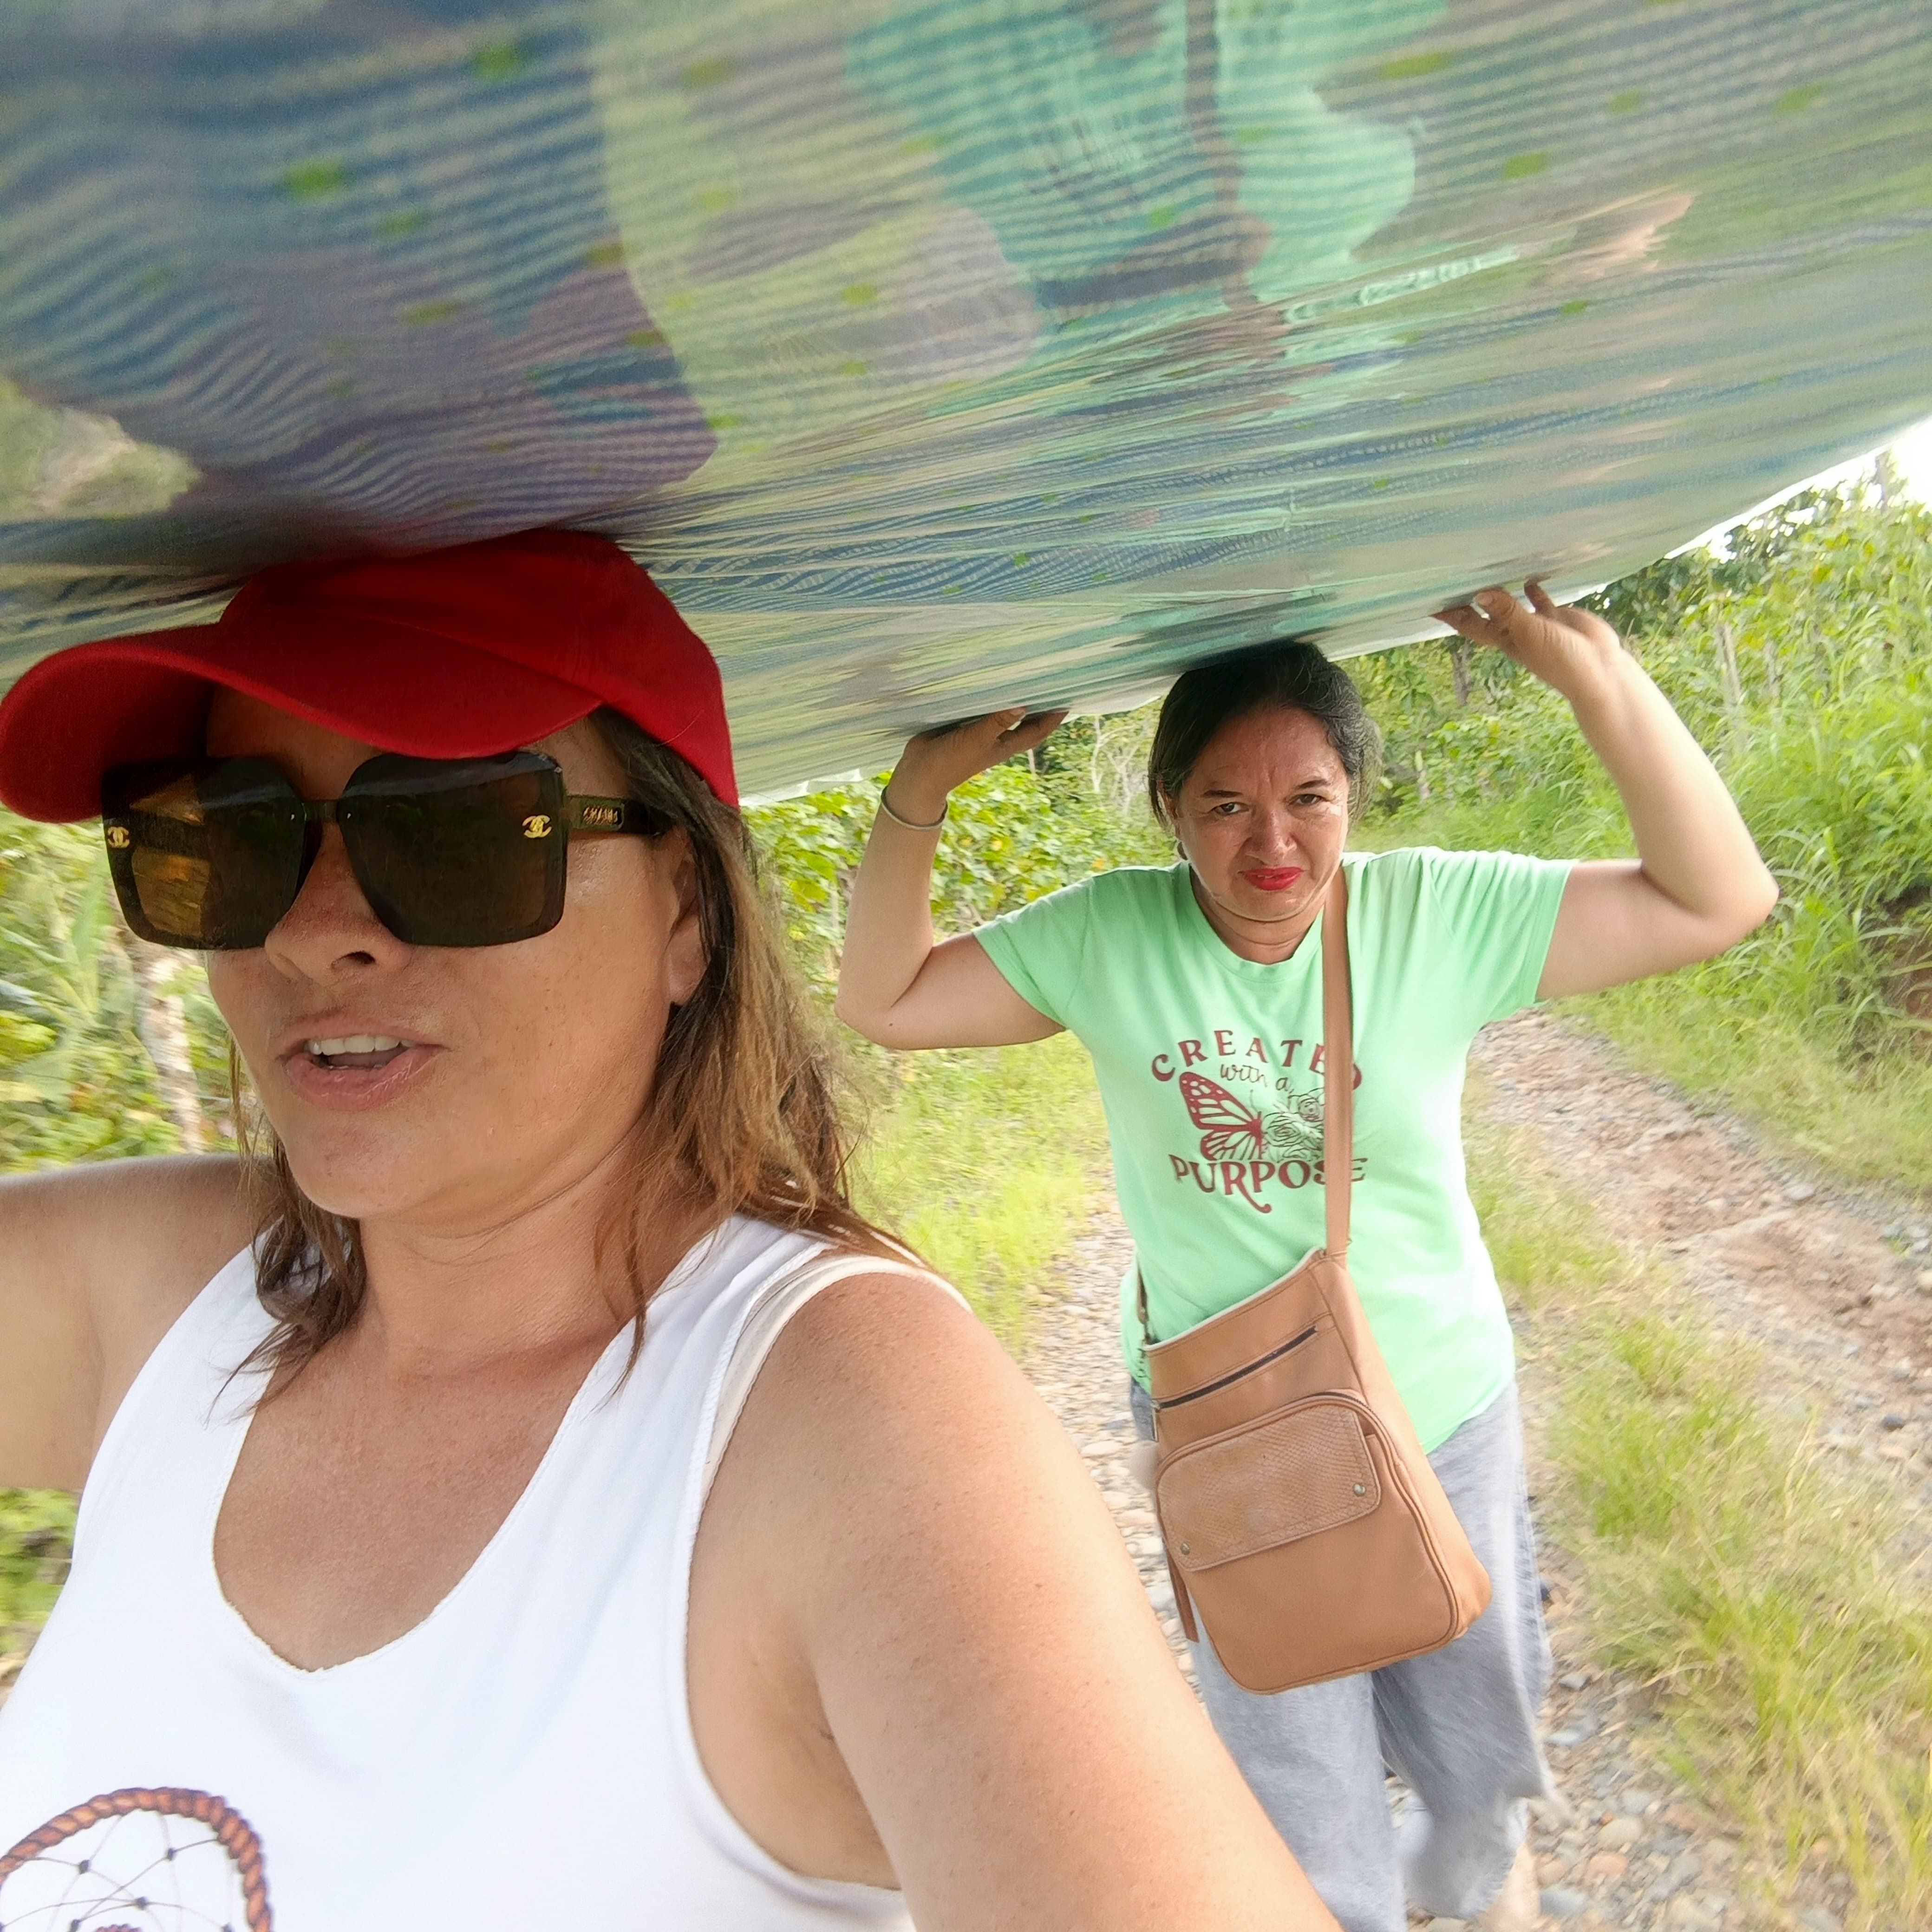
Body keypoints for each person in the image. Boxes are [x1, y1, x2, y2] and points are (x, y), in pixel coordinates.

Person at [0, 531, 1338, 1931]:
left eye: (455, 831)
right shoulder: (165, 1294)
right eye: (225, 842)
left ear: (685, 912)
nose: (310, 931)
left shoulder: (843, 1426)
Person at [835, 583, 1779, 1932]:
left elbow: (1721, 898)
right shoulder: (1107, 934)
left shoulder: (1436, 914)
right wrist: (921, 790)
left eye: (1310, 799)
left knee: (1476, 1731)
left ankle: (1479, 1882)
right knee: (1289, 1761)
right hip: (1225, 1420)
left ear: (1355, 796)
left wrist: (1597, 680)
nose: (1272, 842)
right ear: (1168, 809)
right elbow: (885, 999)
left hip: (1435, 1400)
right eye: (1225, 804)